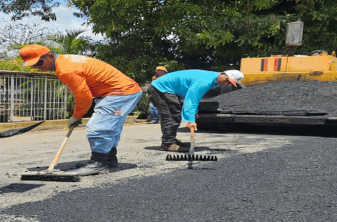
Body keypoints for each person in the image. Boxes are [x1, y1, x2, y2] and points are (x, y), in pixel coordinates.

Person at [19, 45, 142, 174]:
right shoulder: (65, 61)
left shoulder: (66, 69)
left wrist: (76, 116)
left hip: (120, 92)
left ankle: (99, 163)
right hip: (121, 91)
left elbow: (84, 96)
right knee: (110, 128)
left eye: (38, 62)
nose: (37, 67)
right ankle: (108, 160)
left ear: (50, 56)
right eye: (33, 65)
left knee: (98, 127)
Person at [147, 69, 244, 152]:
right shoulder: (205, 81)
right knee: (171, 115)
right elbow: (191, 99)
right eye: (227, 80)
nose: (226, 83)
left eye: (229, 83)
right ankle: (167, 143)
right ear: (223, 74)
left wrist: (194, 112)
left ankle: (170, 139)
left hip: (168, 90)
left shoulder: (212, 80)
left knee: (174, 114)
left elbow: (196, 98)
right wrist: (191, 120)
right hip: (160, 89)